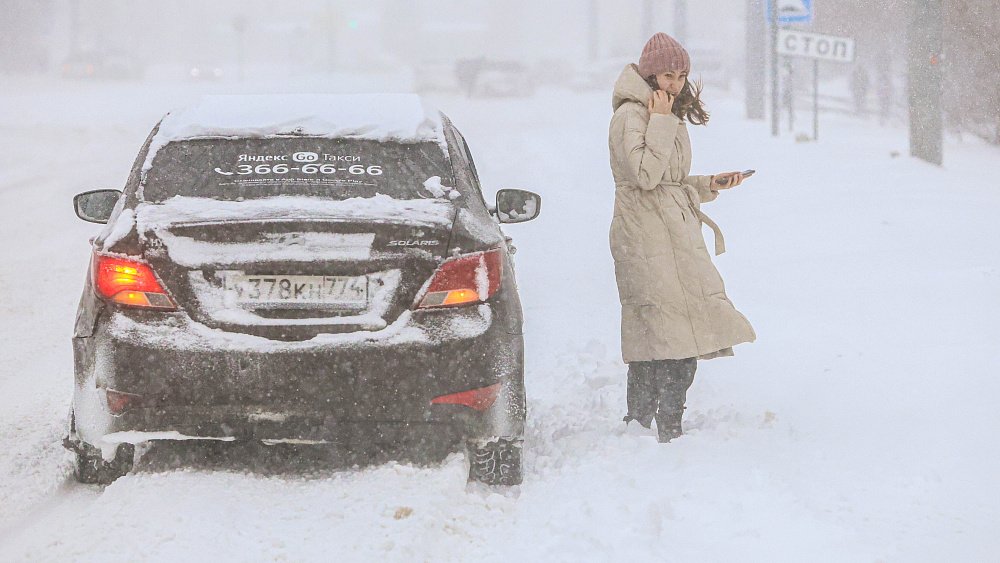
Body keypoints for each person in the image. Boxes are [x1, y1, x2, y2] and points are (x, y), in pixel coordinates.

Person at [608, 32, 756, 443]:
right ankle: (649, 425)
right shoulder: (633, 116)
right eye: (668, 75)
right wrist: (660, 121)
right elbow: (643, 176)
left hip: (672, 234)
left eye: (681, 75)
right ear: (650, 74)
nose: (674, 83)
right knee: (662, 333)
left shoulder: (663, 113)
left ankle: (656, 424)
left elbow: (666, 181)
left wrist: (709, 184)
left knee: (674, 331)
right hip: (645, 238)